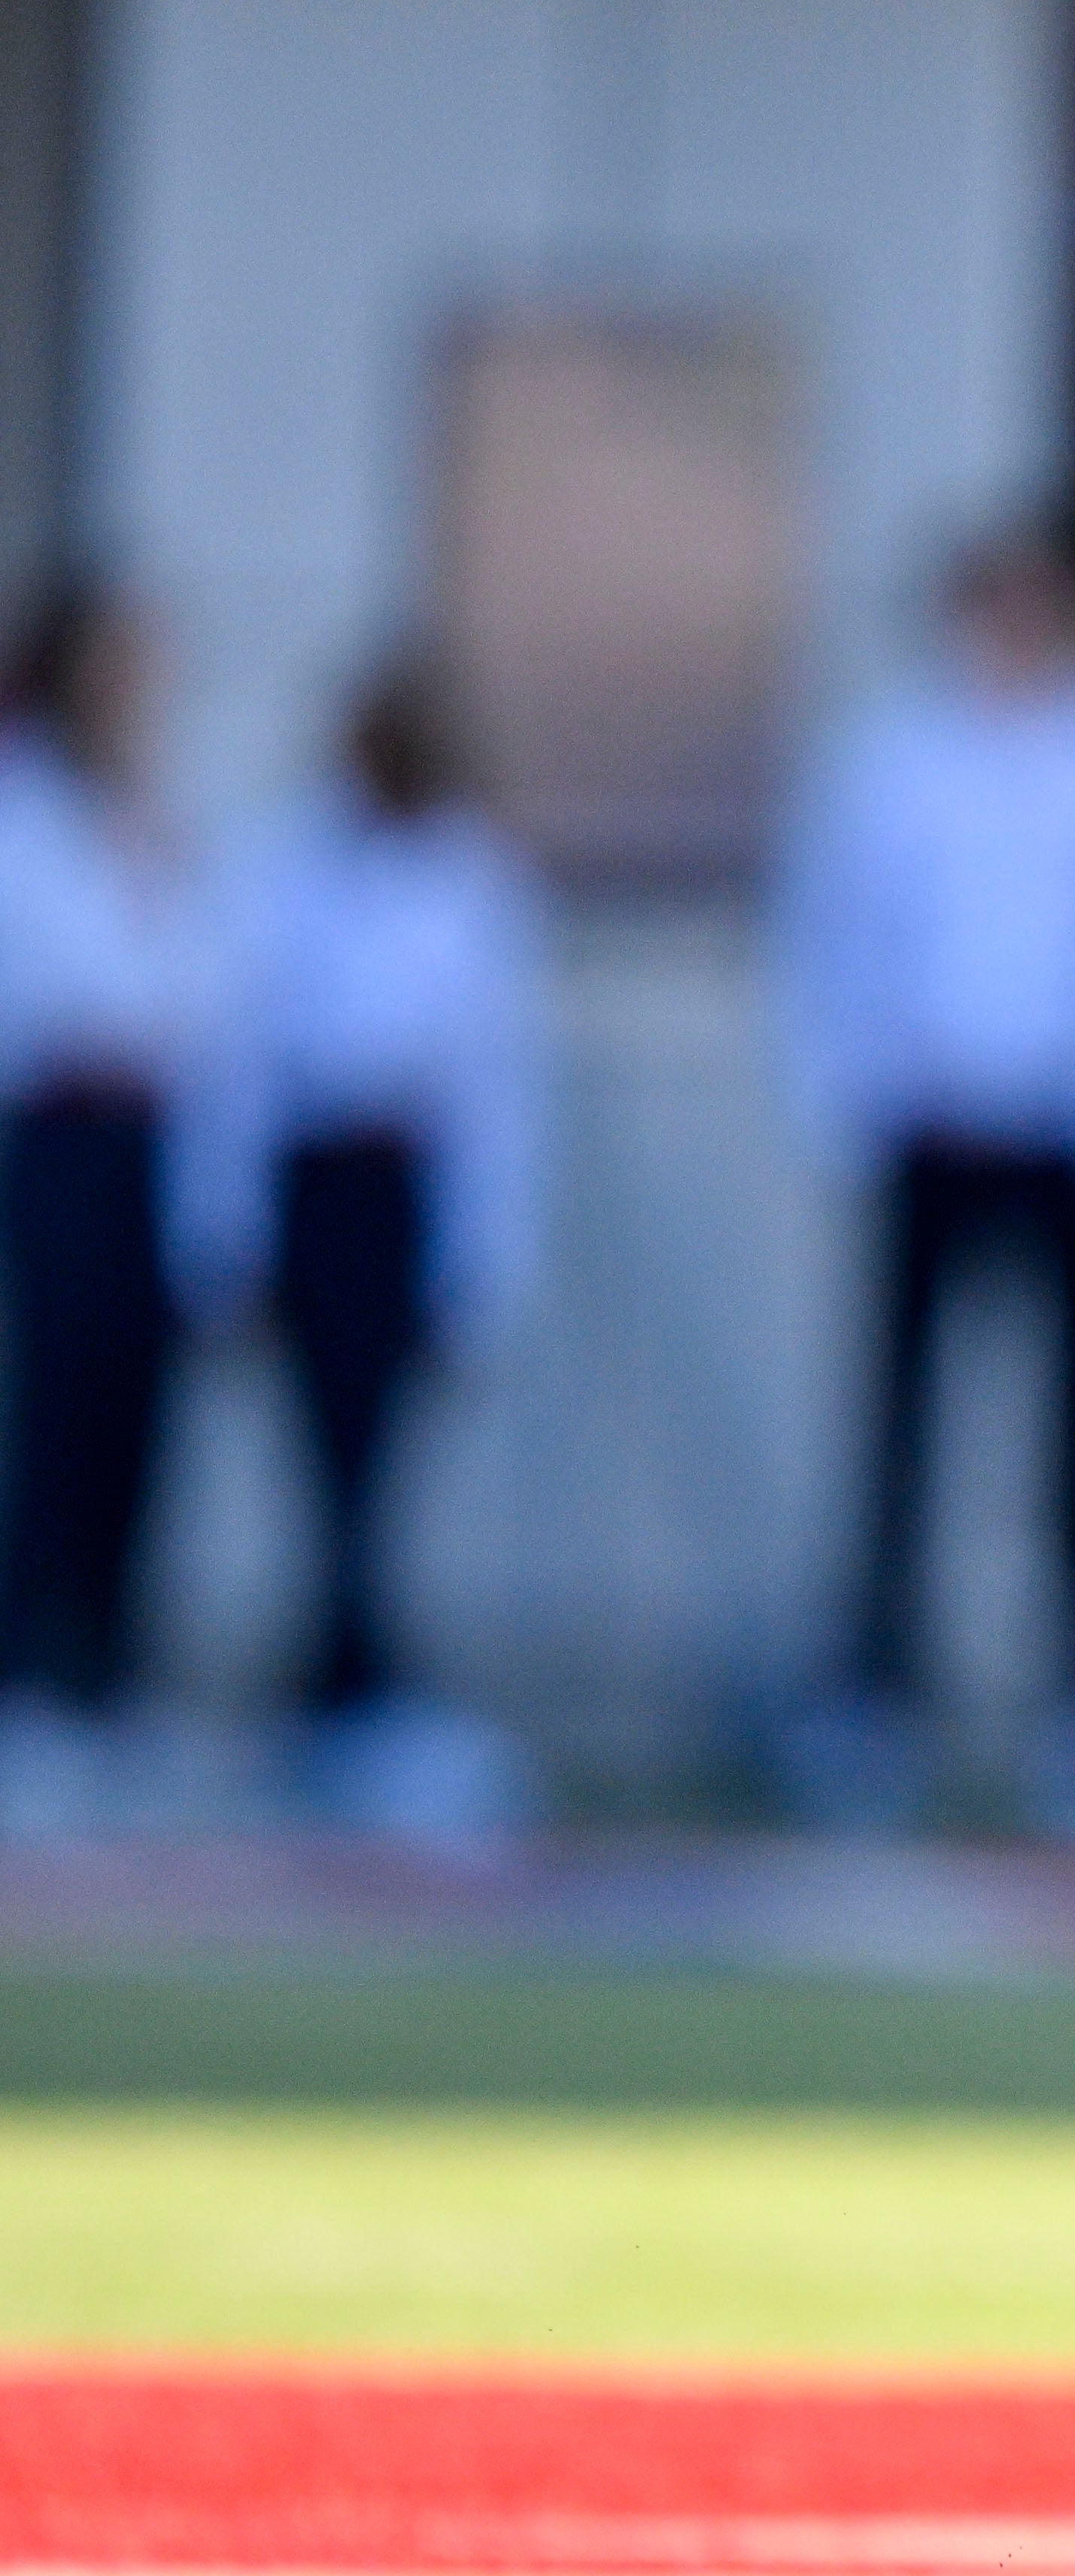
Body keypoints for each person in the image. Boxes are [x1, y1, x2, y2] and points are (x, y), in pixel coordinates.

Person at [776, 530, 1075, 1800]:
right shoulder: (892, 759)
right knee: (900, 1422)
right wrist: (849, 1100)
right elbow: (832, 936)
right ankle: (876, 1690)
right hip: (933, 1130)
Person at [181, 652, 548, 1839]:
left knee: (381, 1444)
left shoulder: (474, 879)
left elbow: (498, 1093)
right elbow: (237, 1056)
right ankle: (336, 1681)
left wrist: (485, 1262)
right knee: (320, 1440)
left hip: (405, 1185)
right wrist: (224, 1232)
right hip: (313, 1176)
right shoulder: (286, 865)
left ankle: (360, 1681)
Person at [0, 576, 195, 1840]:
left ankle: (114, 1679)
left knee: (137, 1405)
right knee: (53, 1404)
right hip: (55, 1128)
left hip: (148, 1135)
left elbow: (188, 980)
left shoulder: (148, 816)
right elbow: (55, 980)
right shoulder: (27, 808)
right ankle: (34, 1683)